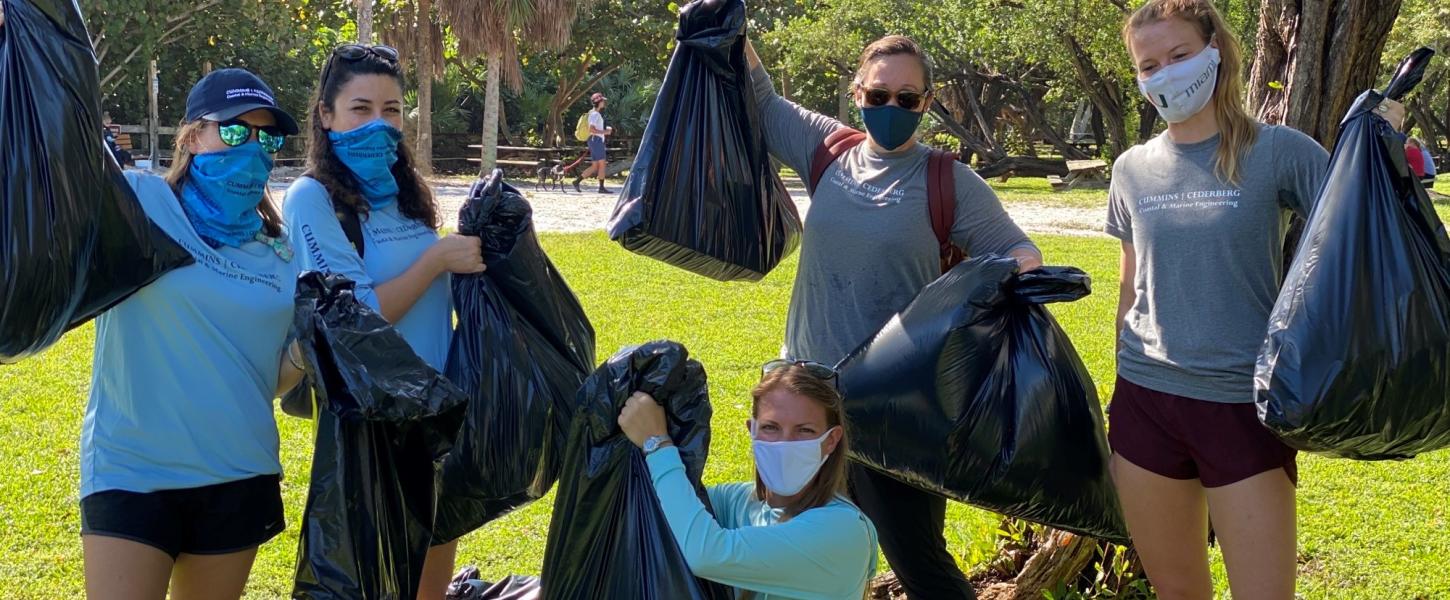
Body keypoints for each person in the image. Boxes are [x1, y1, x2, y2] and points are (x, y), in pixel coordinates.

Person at [1109, 2, 1405, 598]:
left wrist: (1382, 146)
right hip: (1144, 400)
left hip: (1240, 405)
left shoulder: (1278, 151)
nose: (1164, 73)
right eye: (1148, 66)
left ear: (1215, 49)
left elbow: (1360, 226)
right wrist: (1118, 382)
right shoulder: (1130, 169)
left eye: (1178, 56)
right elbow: (1129, 282)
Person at [742, 34, 1041, 600]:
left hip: (896, 409)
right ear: (857, 93)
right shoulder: (826, 151)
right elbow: (760, 98)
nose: (891, 109)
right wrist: (732, 26)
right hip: (804, 398)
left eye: (908, 99)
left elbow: (1019, 250)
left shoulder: (948, 181)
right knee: (798, 553)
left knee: (918, 561)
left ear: (927, 103)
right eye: (879, 95)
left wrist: (998, 281)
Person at [82, 69, 302, 598]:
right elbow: (49, 153)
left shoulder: (282, 251)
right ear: (191, 137)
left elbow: (266, 380)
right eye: (233, 131)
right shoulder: (138, 207)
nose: (251, 147)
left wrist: (310, 347)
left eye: (265, 137)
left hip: (237, 473)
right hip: (132, 472)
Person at [281, 44, 485, 600]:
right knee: (370, 576)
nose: (379, 124)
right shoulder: (311, 199)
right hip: (372, 421)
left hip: (438, 413)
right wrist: (439, 258)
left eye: (392, 111)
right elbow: (354, 318)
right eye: (361, 109)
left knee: (432, 567)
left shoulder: (406, 197)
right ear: (326, 115)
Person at [618, 360, 879, 600]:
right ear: (751, 431)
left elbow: (706, 553)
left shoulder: (843, 531)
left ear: (831, 440)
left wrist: (656, 444)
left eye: (804, 430)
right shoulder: (741, 501)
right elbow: (676, 510)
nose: (784, 444)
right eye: (770, 428)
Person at [573, 91, 613, 194]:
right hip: (596, 140)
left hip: (594, 141)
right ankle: (601, 188)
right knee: (602, 164)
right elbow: (592, 129)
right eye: (602, 101)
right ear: (598, 102)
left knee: (595, 166)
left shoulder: (593, 113)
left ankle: (577, 181)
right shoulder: (595, 114)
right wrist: (606, 132)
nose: (604, 103)